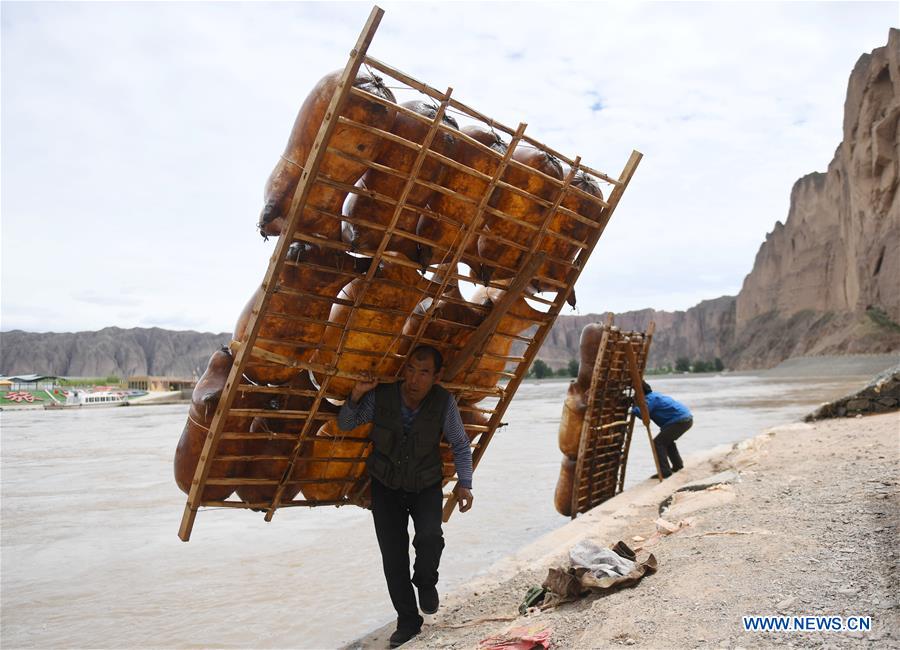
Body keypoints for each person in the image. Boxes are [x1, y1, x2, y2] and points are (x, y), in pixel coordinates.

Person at [338, 345, 474, 648]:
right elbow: (345, 423)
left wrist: (464, 483)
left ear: (436, 376)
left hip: (425, 484)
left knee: (430, 536)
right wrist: (358, 394)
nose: (414, 379)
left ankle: (426, 582)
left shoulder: (443, 402)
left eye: (423, 372)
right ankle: (408, 621)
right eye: (410, 369)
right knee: (393, 557)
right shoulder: (383, 396)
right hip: (385, 487)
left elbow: (460, 444)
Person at [632, 380, 693, 478]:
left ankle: (665, 471)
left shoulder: (649, 399)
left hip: (680, 421)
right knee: (667, 441)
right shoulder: (654, 396)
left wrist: (634, 406)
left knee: (658, 442)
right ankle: (677, 465)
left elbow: (642, 414)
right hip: (684, 419)